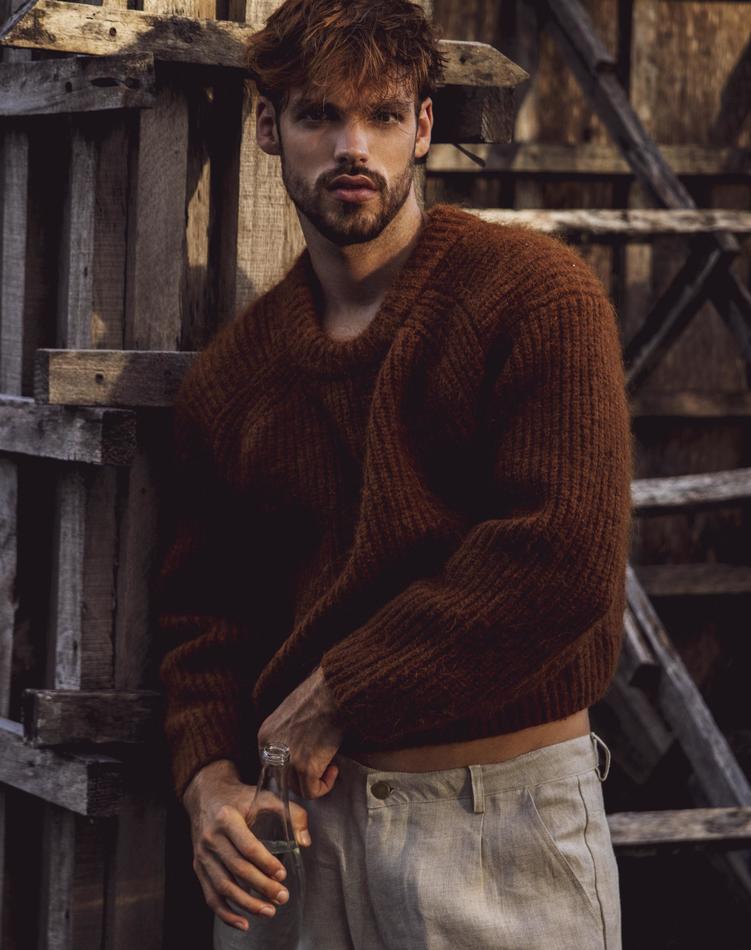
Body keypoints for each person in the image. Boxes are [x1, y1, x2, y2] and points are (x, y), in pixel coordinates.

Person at [155, 0, 633, 947]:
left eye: (381, 115)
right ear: (267, 128)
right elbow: (203, 617)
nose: (352, 147)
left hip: (496, 827)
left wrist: (341, 692)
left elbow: (563, 554)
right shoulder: (232, 377)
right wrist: (207, 784)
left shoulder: (535, 296)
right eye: (318, 115)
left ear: (422, 126)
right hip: (292, 842)